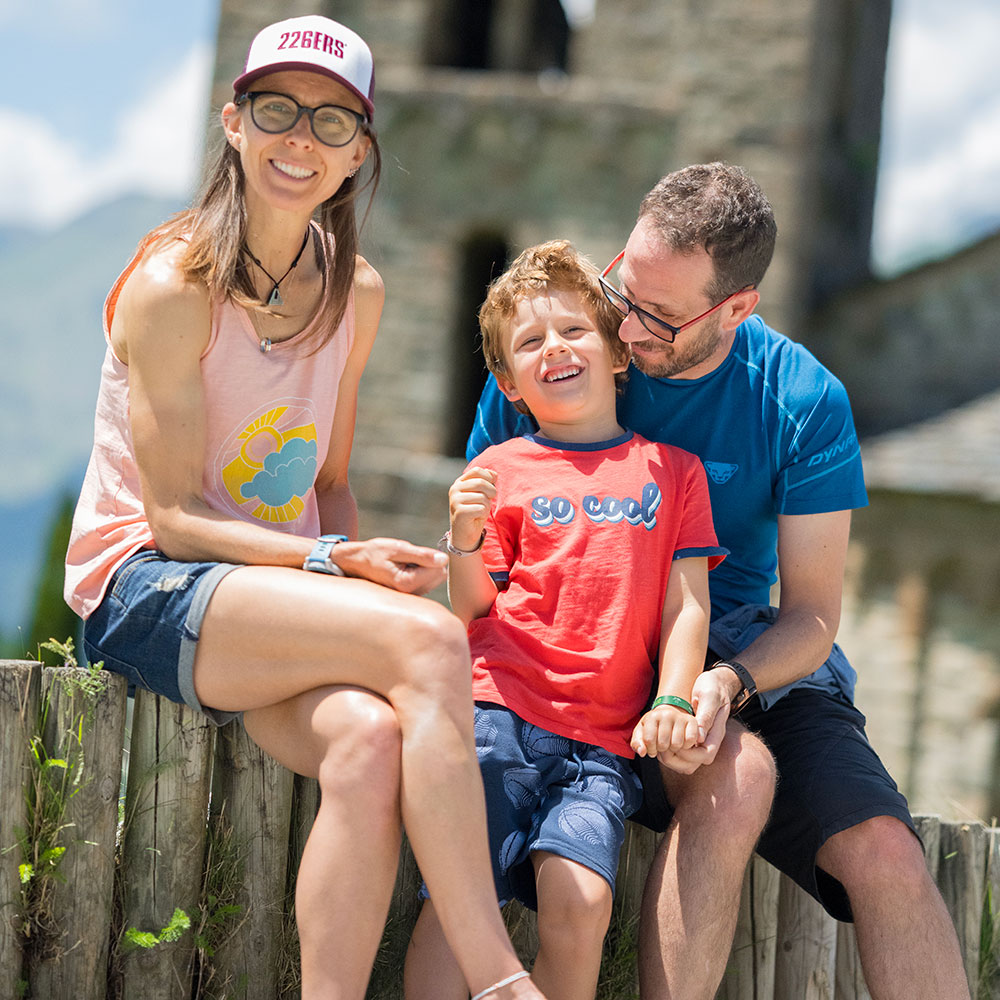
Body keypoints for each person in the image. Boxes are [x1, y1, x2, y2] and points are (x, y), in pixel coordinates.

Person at [63, 15, 547, 1000]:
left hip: (266, 596)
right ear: (232, 123)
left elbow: (326, 482)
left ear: (358, 154)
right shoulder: (172, 286)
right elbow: (168, 520)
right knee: (427, 644)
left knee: (368, 743)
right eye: (276, 110)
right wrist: (335, 572)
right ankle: (499, 980)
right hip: (144, 589)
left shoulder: (355, 293)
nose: (301, 140)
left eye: (332, 123)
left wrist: (352, 559)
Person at [466, 163, 971, 1000]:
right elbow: (482, 548)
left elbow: (812, 617)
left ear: (738, 308)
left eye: (658, 317)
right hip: (571, 648)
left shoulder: (803, 398)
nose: (621, 331)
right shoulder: (557, 352)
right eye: (619, 287)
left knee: (886, 852)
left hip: (737, 648)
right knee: (740, 780)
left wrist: (723, 682)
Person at [403, 240, 727, 1000]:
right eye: (530, 342)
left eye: (575, 330)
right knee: (459, 912)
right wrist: (462, 537)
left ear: (618, 351)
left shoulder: (675, 473)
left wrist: (674, 699)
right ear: (509, 383)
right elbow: (473, 606)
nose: (555, 348)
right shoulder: (499, 471)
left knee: (581, 906)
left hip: (601, 747)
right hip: (495, 717)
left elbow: (686, 605)